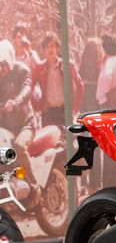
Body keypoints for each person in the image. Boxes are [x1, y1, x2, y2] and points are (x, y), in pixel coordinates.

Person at [0, 39, 37, 193]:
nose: (1, 69)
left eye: (3, 64)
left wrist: (15, 103)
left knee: (19, 146)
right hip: (7, 127)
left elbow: (27, 89)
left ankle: (34, 188)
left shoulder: (22, 70)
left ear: (9, 58)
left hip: (26, 124)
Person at [32, 32, 84, 127]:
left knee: (67, 140)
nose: (50, 49)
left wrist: (75, 108)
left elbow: (80, 84)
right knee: (49, 141)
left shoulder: (68, 64)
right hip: (48, 112)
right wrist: (38, 105)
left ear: (57, 47)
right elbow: (30, 86)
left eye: (52, 46)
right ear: (44, 50)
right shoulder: (40, 67)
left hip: (65, 110)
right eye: (47, 47)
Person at [96, 34, 116, 187]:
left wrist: (100, 96)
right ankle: (111, 181)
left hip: (106, 104)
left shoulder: (110, 62)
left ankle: (109, 182)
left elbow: (106, 80)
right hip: (112, 104)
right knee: (112, 143)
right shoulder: (114, 61)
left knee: (108, 144)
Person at [79, 38, 102, 192]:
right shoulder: (99, 67)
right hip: (95, 106)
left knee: (83, 143)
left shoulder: (82, 68)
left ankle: (83, 182)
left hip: (84, 107)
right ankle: (95, 182)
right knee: (96, 145)